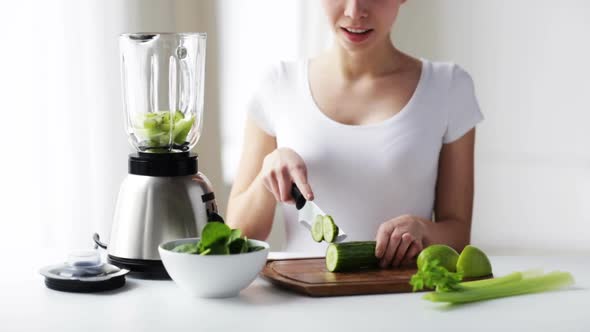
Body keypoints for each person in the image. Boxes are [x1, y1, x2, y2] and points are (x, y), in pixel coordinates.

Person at [226, 0, 483, 268]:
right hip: (299, 298)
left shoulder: (448, 86)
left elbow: (458, 236)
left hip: (403, 298)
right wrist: (269, 175)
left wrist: (423, 230)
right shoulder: (278, 84)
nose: (354, 12)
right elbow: (238, 236)